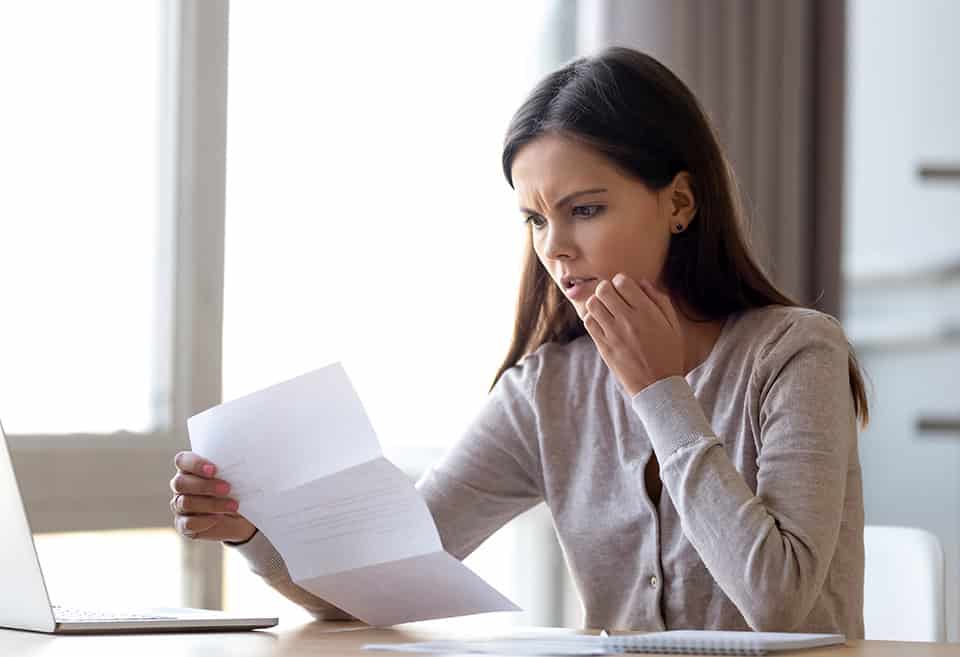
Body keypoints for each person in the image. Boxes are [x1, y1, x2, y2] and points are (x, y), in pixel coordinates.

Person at [169, 46, 868, 636]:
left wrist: (660, 394)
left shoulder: (796, 352)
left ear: (680, 203)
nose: (555, 248)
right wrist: (248, 534)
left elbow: (779, 603)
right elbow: (382, 581)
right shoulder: (547, 388)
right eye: (535, 219)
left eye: (584, 210)